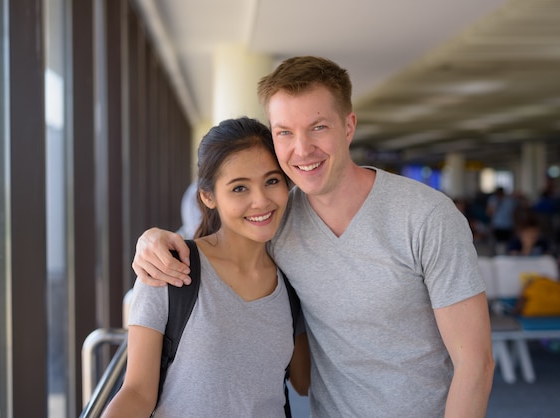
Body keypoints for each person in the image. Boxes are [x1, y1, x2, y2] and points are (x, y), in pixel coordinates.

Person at [132, 56, 494, 417]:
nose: (302, 149)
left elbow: (475, 363)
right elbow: (207, 244)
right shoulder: (275, 219)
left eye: (318, 127)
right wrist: (149, 240)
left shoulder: (426, 216)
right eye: (285, 132)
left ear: (348, 126)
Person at [103, 117, 309, 417]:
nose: (261, 200)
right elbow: (136, 393)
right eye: (239, 188)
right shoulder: (169, 268)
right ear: (208, 197)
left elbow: (304, 382)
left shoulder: (291, 281)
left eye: (272, 181)